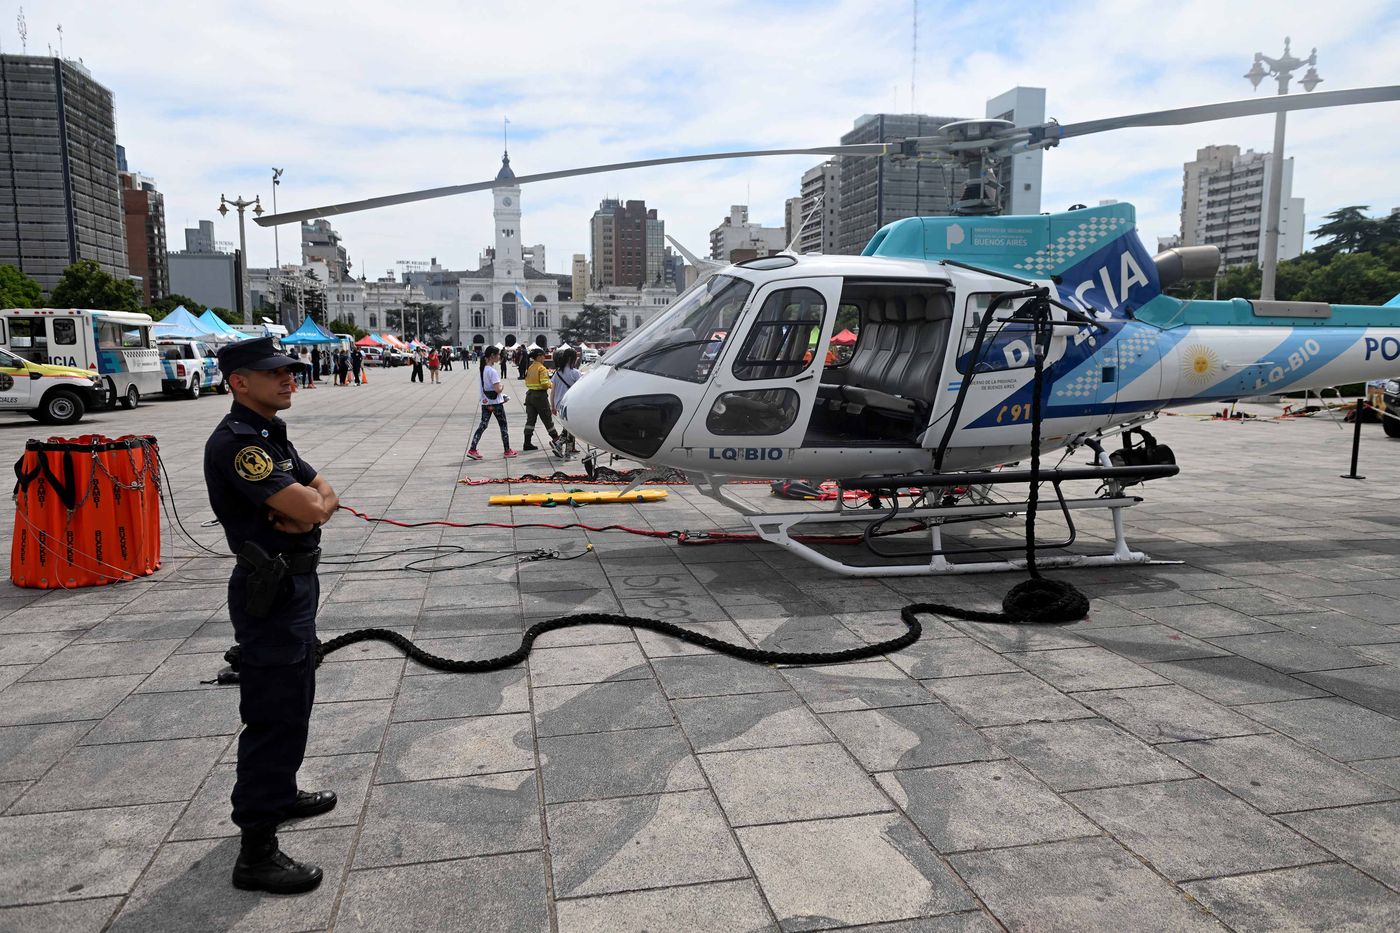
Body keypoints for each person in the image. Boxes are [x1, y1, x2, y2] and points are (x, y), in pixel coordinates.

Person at [204, 337, 340, 894]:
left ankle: (280, 794)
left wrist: (311, 513)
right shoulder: (240, 444)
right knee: (274, 714)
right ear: (239, 381)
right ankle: (256, 850)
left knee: (296, 700)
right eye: (273, 372)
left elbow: (324, 492)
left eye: (289, 370)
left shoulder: (268, 434)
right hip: (271, 592)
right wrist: (310, 511)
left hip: (294, 584)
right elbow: (312, 502)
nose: (288, 379)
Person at [467, 345, 516, 460]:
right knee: (503, 425)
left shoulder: (483, 369)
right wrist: (502, 386)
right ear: (492, 356)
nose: (499, 357)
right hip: (496, 403)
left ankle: (472, 449)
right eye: (498, 355)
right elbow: (498, 389)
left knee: (483, 425)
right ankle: (507, 450)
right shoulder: (492, 371)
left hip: (486, 402)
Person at [521, 347, 563, 455]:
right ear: (539, 357)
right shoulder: (542, 368)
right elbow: (544, 384)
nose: (544, 358)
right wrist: (550, 385)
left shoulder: (530, 367)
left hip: (529, 396)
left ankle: (527, 443)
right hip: (540, 397)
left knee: (530, 421)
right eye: (543, 356)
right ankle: (556, 440)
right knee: (547, 419)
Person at [552, 347, 582, 457]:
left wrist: (552, 406)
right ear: (571, 358)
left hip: (559, 404)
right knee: (571, 427)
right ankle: (560, 445)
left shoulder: (557, 373)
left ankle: (567, 451)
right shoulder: (575, 373)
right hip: (571, 404)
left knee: (569, 427)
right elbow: (581, 390)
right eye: (576, 357)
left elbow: (553, 391)